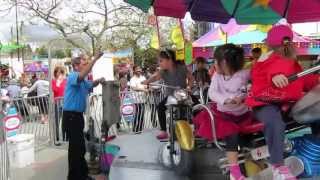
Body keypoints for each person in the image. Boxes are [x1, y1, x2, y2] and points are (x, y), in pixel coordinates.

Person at [246, 25, 320, 180]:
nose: (286, 47)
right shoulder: (265, 59)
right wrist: (275, 76)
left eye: (288, 44)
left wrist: (317, 81)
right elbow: (265, 72)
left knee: (314, 110)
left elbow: (304, 79)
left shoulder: (293, 61)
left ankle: (313, 145)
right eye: (283, 44)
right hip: (264, 103)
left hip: (286, 102)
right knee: (275, 122)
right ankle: (277, 166)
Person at [193, 44, 250, 180]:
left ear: (224, 62)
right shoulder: (217, 77)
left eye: (215, 61)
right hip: (223, 115)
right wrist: (226, 100)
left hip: (242, 114)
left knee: (247, 137)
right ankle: (235, 172)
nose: (214, 64)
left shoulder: (243, 74)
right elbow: (212, 92)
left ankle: (249, 162)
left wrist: (241, 96)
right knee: (231, 134)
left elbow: (247, 87)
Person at [63, 53, 104, 180]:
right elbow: (82, 76)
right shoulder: (73, 76)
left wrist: (98, 81)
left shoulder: (82, 80)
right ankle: (77, 177)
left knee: (79, 148)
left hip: (77, 117)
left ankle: (81, 175)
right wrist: (95, 59)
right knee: (77, 148)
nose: (86, 65)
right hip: (71, 117)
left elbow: (91, 85)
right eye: (84, 63)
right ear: (76, 66)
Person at [143, 49, 194, 139]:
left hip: (183, 94)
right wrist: (146, 81)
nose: (159, 63)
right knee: (160, 107)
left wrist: (189, 87)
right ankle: (164, 131)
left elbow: (191, 78)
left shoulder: (182, 68)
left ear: (169, 60)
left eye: (161, 61)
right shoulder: (163, 71)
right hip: (171, 96)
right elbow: (155, 77)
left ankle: (198, 128)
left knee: (197, 106)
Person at [128, 65, 147, 133]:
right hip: (135, 100)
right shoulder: (132, 79)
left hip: (142, 99)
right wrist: (142, 89)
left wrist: (146, 88)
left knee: (142, 114)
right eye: (137, 69)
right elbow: (133, 88)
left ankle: (140, 129)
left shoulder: (143, 77)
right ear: (134, 71)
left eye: (140, 69)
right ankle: (135, 129)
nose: (139, 70)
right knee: (136, 115)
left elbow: (146, 86)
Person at [52, 66, 67, 143]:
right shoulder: (53, 81)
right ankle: (57, 136)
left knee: (65, 121)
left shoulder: (66, 81)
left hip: (65, 103)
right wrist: (58, 82)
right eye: (57, 72)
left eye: (60, 72)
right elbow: (55, 90)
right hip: (57, 103)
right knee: (57, 121)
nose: (59, 74)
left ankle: (65, 137)